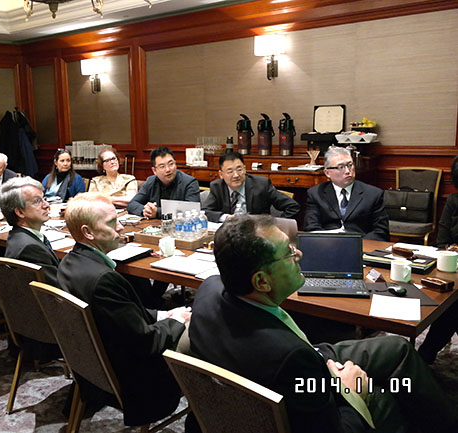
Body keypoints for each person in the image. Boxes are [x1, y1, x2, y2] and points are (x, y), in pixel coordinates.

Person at [187, 214, 457, 433]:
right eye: (289, 253)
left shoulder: (210, 289)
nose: (299, 254)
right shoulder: (291, 357)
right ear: (261, 281)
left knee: (398, 348)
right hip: (302, 381)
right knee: (389, 398)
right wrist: (353, 391)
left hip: (299, 363)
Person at [58, 193, 190, 426]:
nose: (120, 227)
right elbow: (145, 342)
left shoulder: (69, 262)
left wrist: (163, 314)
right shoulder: (103, 280)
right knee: (203, 332)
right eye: (111, 222)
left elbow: (121, 316)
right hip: (136, 380)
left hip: (93, 367)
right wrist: (177, 321)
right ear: (88, 232)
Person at [417, 155, 458, 363]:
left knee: (452, 307)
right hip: (452, 268)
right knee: (449, 302)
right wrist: (448, 250)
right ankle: (425, 356)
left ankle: (425, 356)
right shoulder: (453, 201)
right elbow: (442, 240)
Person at [304, 147, 389, 241]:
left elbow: (381, 232)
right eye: (341, 167)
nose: (348, 171)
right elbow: (312, 228)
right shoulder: (316, 194)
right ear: (327, 173)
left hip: (363, 245)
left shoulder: (373, 194)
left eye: (350, 165)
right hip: (328, 245)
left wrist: (356, 244)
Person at [202, 151, 300, 222]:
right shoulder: (217, 187)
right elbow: (205, 212)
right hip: (228, 235)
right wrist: (226, 218)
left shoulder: (261, 185)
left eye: (239, 169)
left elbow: (293, 207)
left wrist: (275, 225)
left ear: (245, 169)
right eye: (230, 171)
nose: (236, 175)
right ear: (221, 174)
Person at [0, 177, 60, 286]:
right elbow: (58, 288)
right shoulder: (30, 248)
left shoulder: (17, 236)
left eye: (44, 198)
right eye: (37, 201)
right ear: (20, 212)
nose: (46, 205)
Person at [127, 146, 199, 218]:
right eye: (162, 166)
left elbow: (192, 210)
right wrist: (146, 211)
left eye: (171, 164)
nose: (168, 169)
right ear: (154, 170)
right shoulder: (150, 181)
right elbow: (132, 204)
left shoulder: (189, 182)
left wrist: (157, 212)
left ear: (175, 164)